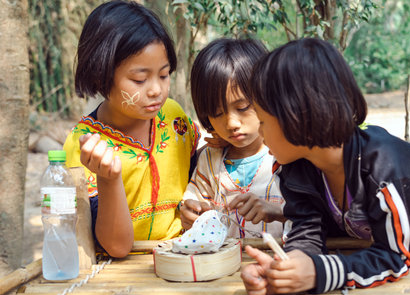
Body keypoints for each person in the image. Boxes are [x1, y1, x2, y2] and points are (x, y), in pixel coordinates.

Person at [240, 37, 410, 295]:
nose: (260, 133)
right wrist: (284, 271)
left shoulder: (385, 167)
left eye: (262, 121)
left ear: (296, 117)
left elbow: (394, 259)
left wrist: (320, 272)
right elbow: (308, 232)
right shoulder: (296, 169)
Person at [63, 0, 200, 258]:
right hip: (120, 277)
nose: (156, 90)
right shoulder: (83, 144)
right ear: (100, 76)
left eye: (164, 74)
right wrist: (108, 178)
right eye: (139, 79)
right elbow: (116, 247)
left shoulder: (174, 117)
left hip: (185, 258)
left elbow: (199, 179)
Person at [179, 38, 289, 239]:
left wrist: (280, 213)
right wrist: (191, 211)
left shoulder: (287, 156)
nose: (231, 123)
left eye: (242, 108)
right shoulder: (210, 161)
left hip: (280, 264)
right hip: (223, 267)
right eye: (217, 113)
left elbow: (312, 216)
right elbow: (192, 202)